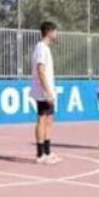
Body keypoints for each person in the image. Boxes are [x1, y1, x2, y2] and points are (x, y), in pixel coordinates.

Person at [32, 21, 61, 164]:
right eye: (55, 31)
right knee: (42, 119)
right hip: (43, 91)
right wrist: (47, 91)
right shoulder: (41, 48)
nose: (57, 34)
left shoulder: (46, 48)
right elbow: (40, 70)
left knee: (49, 120)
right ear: (49, 32)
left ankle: (47, 151)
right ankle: (40, 154)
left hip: (48, 90)